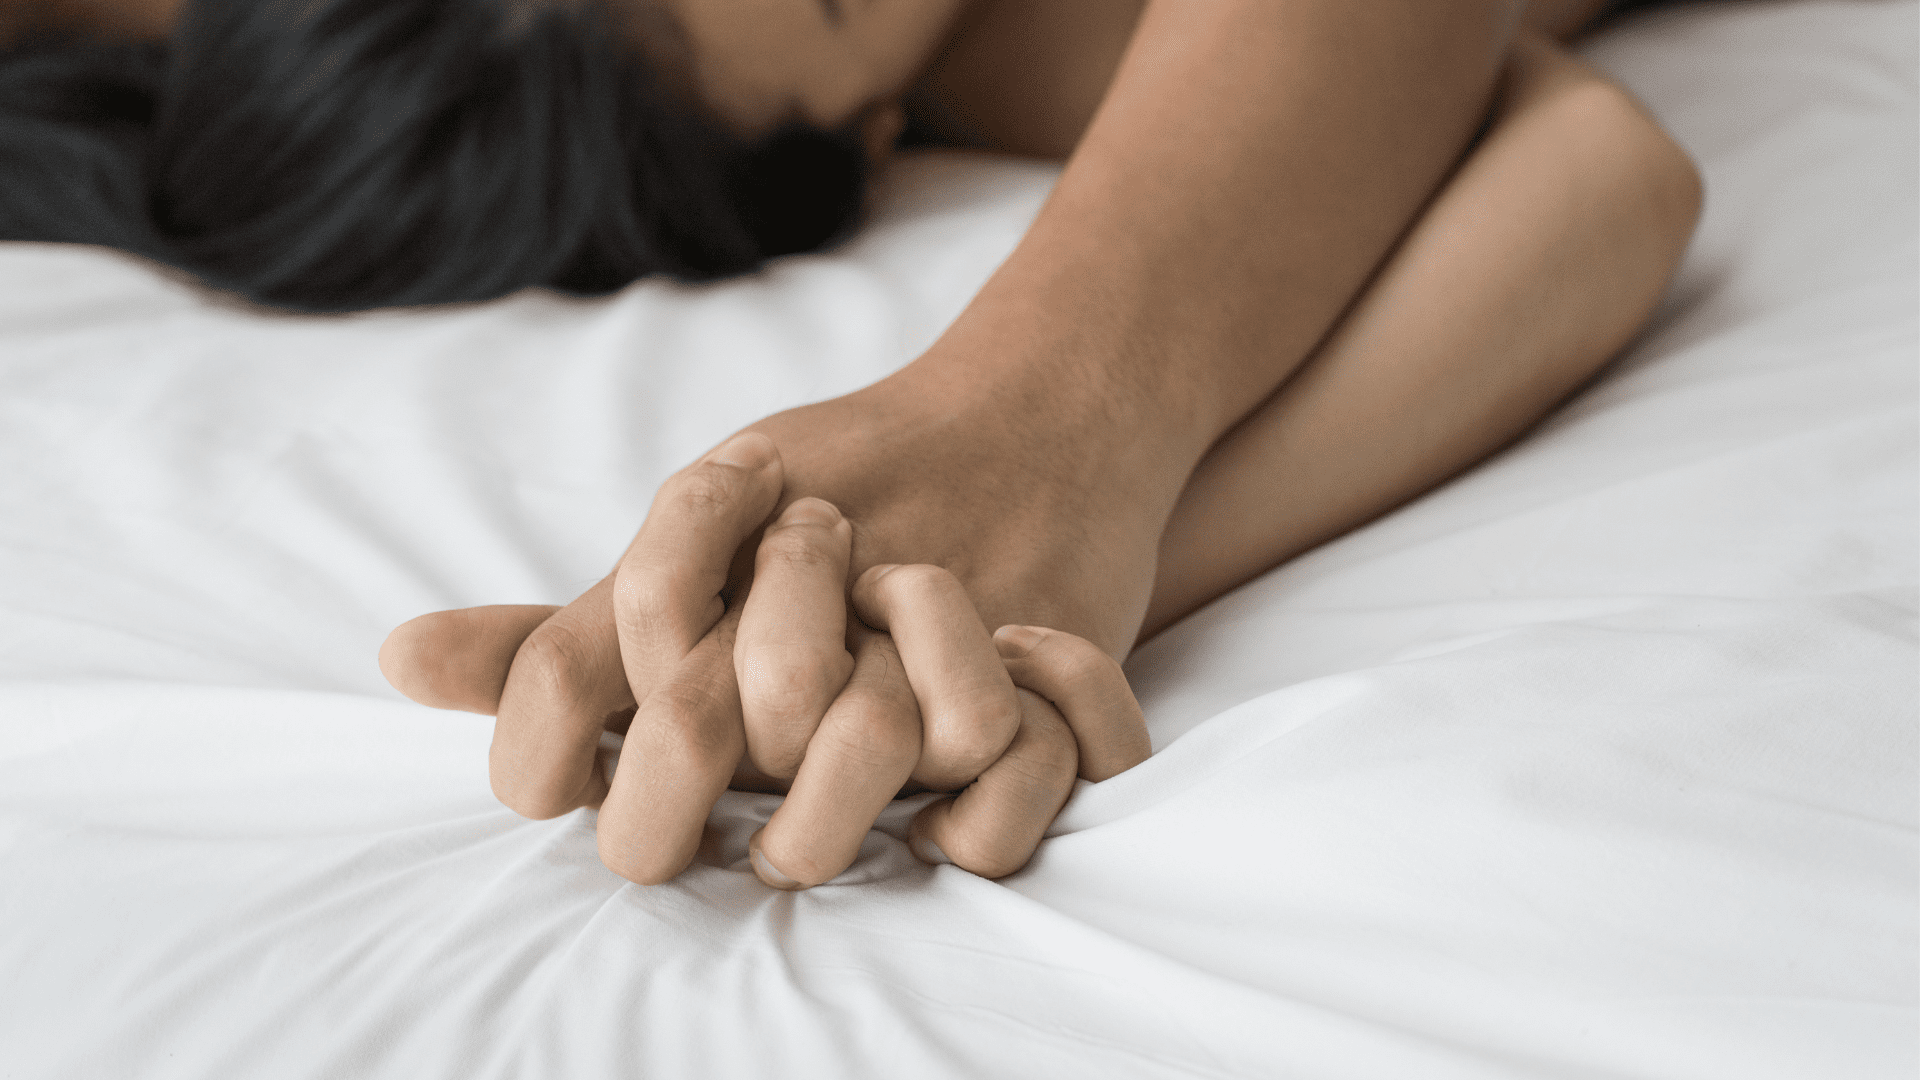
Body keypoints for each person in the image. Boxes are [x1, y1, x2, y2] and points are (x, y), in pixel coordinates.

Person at [3, 0, 1702, 889]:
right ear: (871, 137)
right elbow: (1597, 168)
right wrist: (1028, 561)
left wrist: (1015, 432)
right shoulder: (1029, 39)